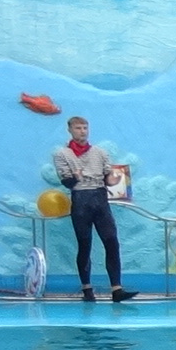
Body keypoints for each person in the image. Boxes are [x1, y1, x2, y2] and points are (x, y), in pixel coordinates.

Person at [49, 117, 133, 303]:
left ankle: (117, 289)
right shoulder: (62, 154)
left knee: (111, 241)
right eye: (78, 128)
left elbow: (108, 178)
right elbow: (67, 182)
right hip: (81, 199)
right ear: (70, 130)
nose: (83, 131)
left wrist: (115, 180)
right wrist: (76, 177)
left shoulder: (100, 152)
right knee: (84, 244)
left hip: (100, 199)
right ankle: (87, 288)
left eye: (85, 128)